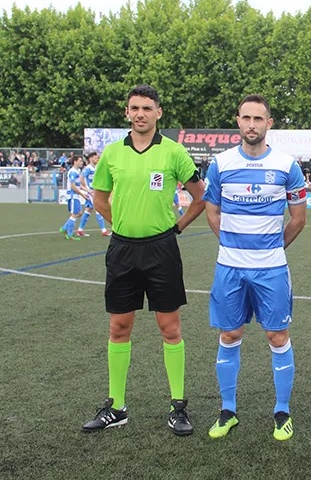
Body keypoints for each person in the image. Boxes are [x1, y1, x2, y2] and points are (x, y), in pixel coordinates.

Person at [81, 84, 206, 435]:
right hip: (122, 250)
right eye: (135, 108)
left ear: (158, 113)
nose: (140, 114)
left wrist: (177, 227)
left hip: (161, 250)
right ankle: (116, 407)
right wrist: (120, 223)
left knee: (170, 328)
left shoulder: (174, 152)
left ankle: (178, 407)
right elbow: (100, 198)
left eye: (147, 108)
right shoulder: (112, 154)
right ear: (127, 112)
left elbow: (200, 196)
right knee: (119, 328)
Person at [203, 94, 307, 441]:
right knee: (229, 335)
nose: (251, 125)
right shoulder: (220, 164)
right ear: (238, 121)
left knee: (277, 336)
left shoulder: (287, 166)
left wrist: (272, 248)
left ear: (269, 123)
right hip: (229, 268)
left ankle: (282, 411)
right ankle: (228, 410)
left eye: (258, 119)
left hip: (271, 269)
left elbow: (298, 219)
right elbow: (212, 211)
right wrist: (231, 243)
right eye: (246, 118)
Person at [76, 152, 111, 237]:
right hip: (91, 192)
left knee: (88, 210)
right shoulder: (88, 168)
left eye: (97, 158)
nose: (97, 159)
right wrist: (87, 189)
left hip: (93, 191)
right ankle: (104, 230)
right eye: (95, 158)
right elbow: (81, 178)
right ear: (90, 158)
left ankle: (80, 230)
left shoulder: (95, 167)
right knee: (99, 209)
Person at [58, 155, 88, 241]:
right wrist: (82, 194)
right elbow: (73, 186)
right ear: (75, 161)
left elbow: (78, 185)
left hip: (75, 196)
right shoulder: (73, 172)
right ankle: (69, 234)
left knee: (79, 213)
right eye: (80, 161)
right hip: (72, 195)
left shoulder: (78, 171)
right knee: (75, 214)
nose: (82, 162)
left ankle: (64, 228)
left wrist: (88, 190)